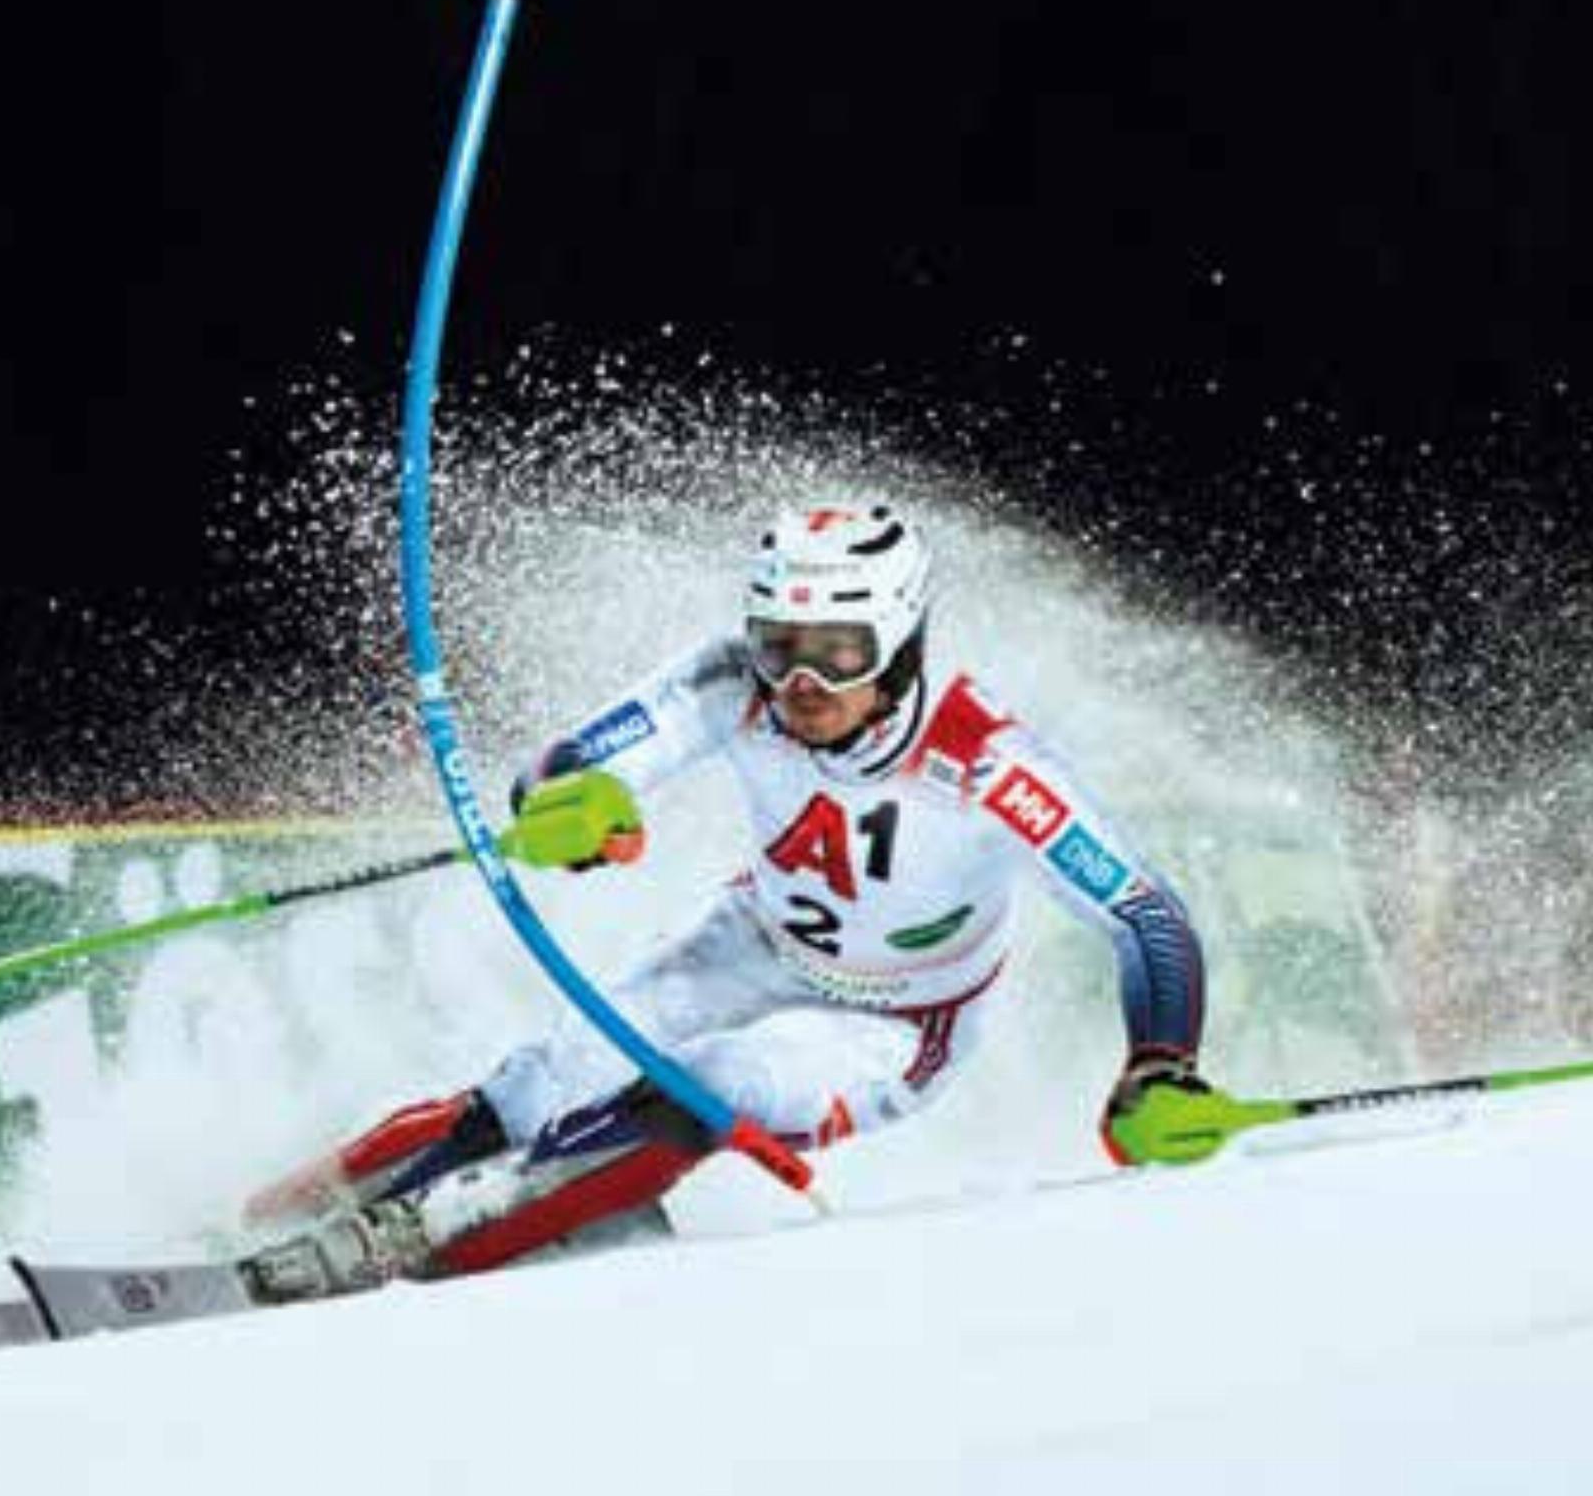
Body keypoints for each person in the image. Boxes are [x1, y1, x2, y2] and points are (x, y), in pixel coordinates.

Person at [238, 502, 1213, 1303]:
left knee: (718, 1081)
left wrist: (1159, 1066)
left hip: (903, 1018)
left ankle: (421, 1243)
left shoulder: (987, 763)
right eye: (780, 643)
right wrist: (577, 808)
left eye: (837, 650)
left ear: (901, 640)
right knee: (549, 1072)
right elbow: (571, 764)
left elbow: (1145, 918)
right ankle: (284, 1219)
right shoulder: (733, 681)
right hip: (758, 941)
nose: (799, 681)